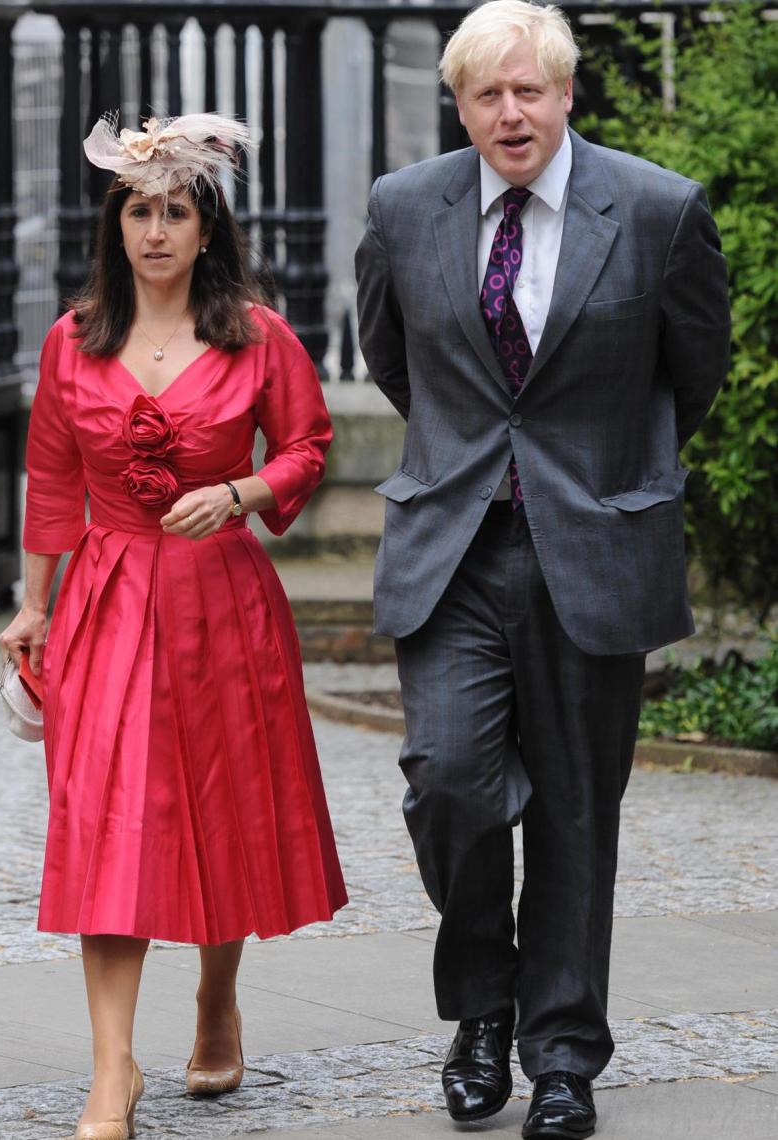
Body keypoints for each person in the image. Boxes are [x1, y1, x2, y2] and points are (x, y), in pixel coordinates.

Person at [355, 2, 730, 1136]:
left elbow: (692, 374)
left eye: (530, 90)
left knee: (575, 813)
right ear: (459, 104)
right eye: (486, 95)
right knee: (450, 781)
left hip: (593, 540)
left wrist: (603, 477)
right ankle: (482, 1005)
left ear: (567, 93)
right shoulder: (404, 208)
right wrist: (474, 463)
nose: (509, 114)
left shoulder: (659, 210)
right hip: (453, 543)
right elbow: (392, 357)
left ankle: (562, 1058)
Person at [0, 111, 347, 1140]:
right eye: (139, 211)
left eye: (176, 211)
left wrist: (241, 491)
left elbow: (310, 448)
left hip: (222, 599)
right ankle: (115, 1071)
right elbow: (52, 477)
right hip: (106, 596)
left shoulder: (256, 334)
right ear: (116, 228)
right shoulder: (74, 341)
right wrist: (32, 601)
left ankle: (215, 1000)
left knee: (219, 811)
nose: (156, 230)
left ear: (206, 229)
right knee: (107, 821)